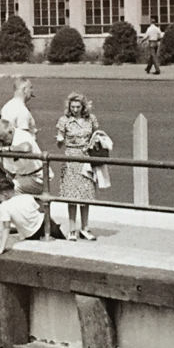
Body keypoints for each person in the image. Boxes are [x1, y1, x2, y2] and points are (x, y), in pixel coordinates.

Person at [55, 92, 99, 241]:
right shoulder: (64, 121)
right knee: (72, 196)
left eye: (78, 107)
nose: (75, 109)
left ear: (83, 107)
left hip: (86, 157)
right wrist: (60, 140)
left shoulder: (91, 119)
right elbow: (59, 143)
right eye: (72, 107)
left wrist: (95, 145)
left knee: (86, 195)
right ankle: (72, 228)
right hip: (71, 158)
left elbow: (96, 135)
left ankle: (85, 228)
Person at [0, 176, 66, 255]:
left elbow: (6, 227)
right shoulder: (27, 197)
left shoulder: (4, 206)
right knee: (65, 245)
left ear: (4, 194)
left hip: (32, 234)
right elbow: (39, 211)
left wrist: (1, 249)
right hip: (47, 223)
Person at [0, 118, 44, 196]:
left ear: (10, 132)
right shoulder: (3, 140)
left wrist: (8, 149)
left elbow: (26, 147)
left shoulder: (22, 135)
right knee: (2, 187)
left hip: (36, 177)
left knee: (9, 190)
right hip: (21, 177)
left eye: (2, 140)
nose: (0, 143)